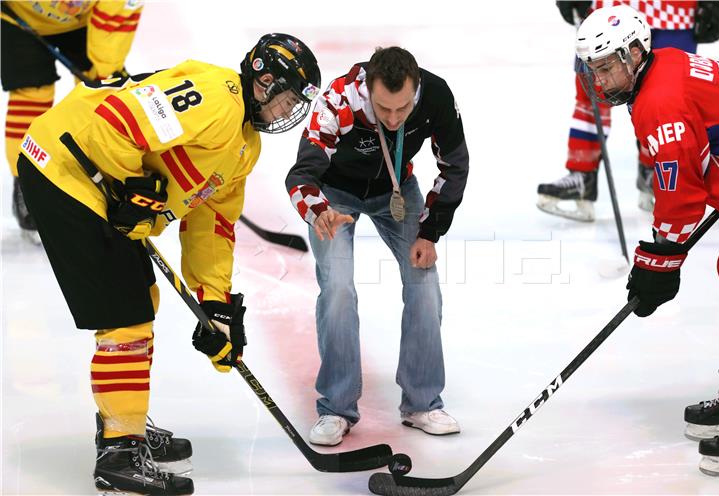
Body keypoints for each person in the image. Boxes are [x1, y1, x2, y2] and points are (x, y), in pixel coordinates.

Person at [16, 33, 321, 494]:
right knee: (126, 318)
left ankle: (125, 421)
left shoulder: (245, 146)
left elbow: (213, 224)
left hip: (92, 188)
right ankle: (120, 452)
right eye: (286, 98)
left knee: (141, 301)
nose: (287, 111)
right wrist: (129, 186)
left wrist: (216, 304)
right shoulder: (217, 96)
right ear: (262, 81)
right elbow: (116, 121)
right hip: (64, 173)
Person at [575, 5, 719, 476]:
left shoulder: (659, 99)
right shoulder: (664, 67)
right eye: (594, 69)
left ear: (636, 52)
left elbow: (681, 195)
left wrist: (657, 262)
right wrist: (660, 259)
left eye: (609, 64)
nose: (602, 79)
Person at [285, 47, 469, 446]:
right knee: (337, 290)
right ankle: (336, 408)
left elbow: (455, 167)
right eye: (383, 108)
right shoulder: (338, 101)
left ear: (415, 89)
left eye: (402, 109)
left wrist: (430, 231)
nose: (391, 118)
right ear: (368, 89)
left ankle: (422, 403)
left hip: (396, 189)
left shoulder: (435, 96)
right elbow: (301, 175)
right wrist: (318, 212)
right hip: (335, 196)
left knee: (424, 285)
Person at [537, 0, 719, 222]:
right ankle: (582, 174)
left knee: (668, 94)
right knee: (594, 89)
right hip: (609, 8)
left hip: (675, 11)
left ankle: (656, 171)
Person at [2, 0, 144, 243]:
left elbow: (114, 27)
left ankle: (102, 172)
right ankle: (26, 181)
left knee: (100, 93)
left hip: (85, 22)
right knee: (32, 95)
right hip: (17, 15)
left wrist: (102, 76)